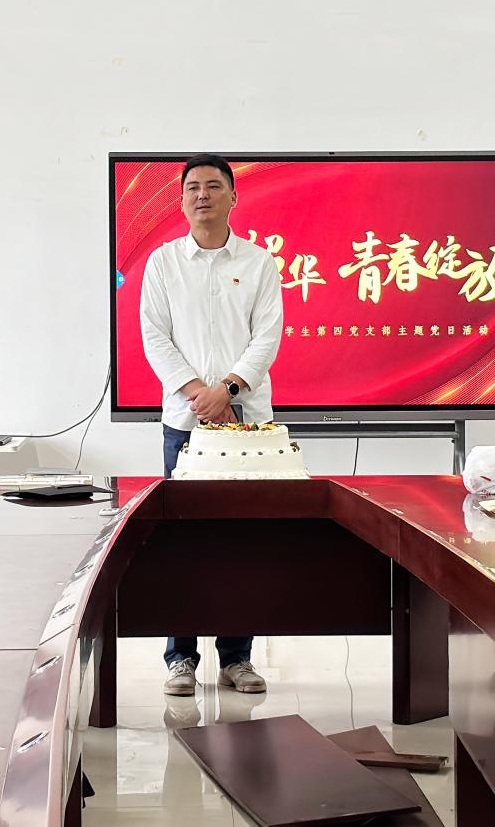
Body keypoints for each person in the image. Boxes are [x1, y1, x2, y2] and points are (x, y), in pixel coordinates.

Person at [139, 153, 283, 697]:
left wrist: (228, 390)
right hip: (185, 421)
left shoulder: (260, 263)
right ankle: (180, 658)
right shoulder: (163, 263)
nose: (203, 195)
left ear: (233, 197)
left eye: (214, 186)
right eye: (193, 187)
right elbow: (154, 336)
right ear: (181, 201)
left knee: (241, 541)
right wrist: (199, 393)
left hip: (248, 421)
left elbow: (267, 336)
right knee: (184, 539)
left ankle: (237, 658)